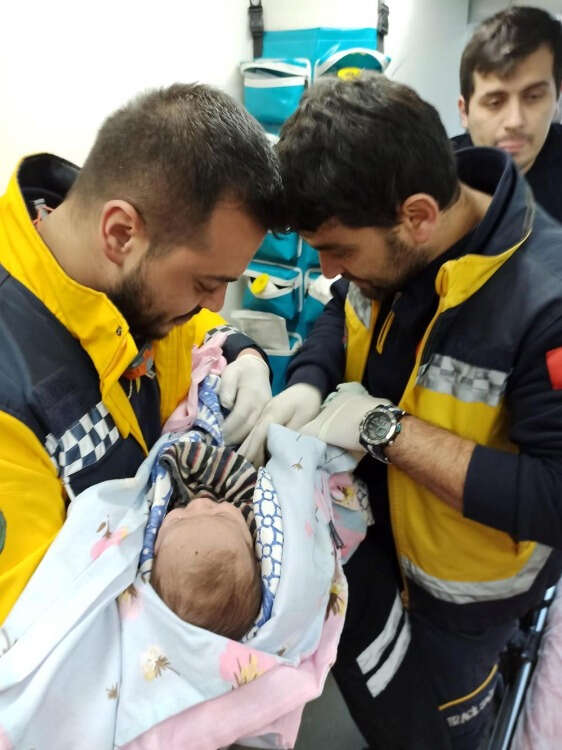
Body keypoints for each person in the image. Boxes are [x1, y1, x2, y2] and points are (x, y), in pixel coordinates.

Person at [240, 73, 562, 749]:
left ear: (418, 217)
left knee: (429, 737)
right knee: (378, 705)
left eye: (339, 250)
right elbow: (343, 310)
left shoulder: (546, 302)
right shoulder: (390, 218)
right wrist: (309, 379)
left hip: (460, 611)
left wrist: (383, 428)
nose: (329, 269)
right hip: (371, 549)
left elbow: (554, 497)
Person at [0, 83, 281, 623]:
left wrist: (242, 350)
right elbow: (42, 646)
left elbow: (197, 327)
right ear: (120, 233)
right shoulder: (12, 399)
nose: (214, 304)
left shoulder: (117, 271)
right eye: (205, 282)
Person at [451, 6, 562, 222]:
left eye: (533, 97)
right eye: (495, 102)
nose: (515, 121)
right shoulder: (433, 176)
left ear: (556, 98)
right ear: (464, 111)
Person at [152, 496, 262, 641]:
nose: (199, 502)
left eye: (178, 521)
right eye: (221, 516)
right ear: (250, 543)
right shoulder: (256, 511)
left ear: (155, 549)